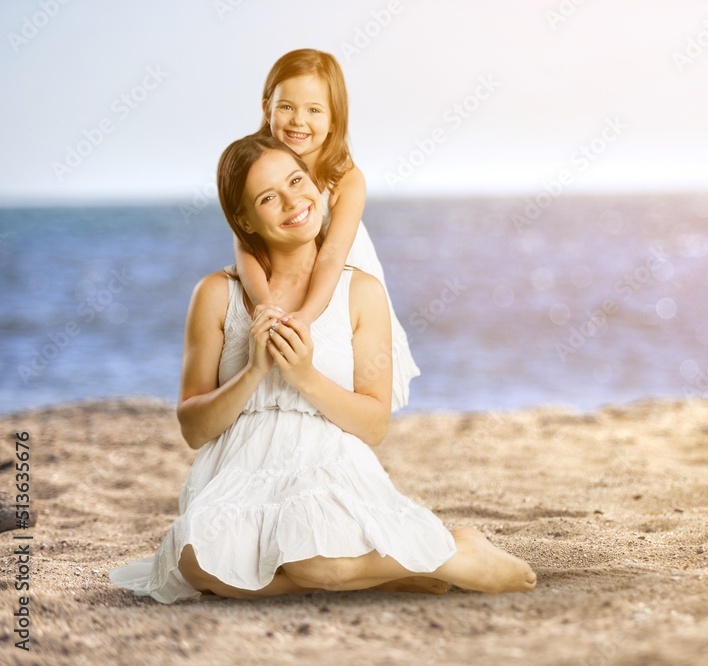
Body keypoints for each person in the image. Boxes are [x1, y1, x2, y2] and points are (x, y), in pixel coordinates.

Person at [107, 135, 536, 603]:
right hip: (235, 469)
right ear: (244, 220)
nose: (293, 201)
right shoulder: (215, 293)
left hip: (325, 462)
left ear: (313, 181)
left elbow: (373, 425)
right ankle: (399, 570)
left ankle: (457, 553)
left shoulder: (361, 291)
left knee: (316, 561)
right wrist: (252, 372)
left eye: (296, 180)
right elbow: (193, 427)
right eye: (269, 197)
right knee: (195, 562)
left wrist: (304, 376)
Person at [236, 48, 419, 412]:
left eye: (314, 110)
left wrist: (305, 315)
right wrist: (266, 306)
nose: (298, 120)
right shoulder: (254, 168)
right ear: (266, 107)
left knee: (343, 386)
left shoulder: (346, 179)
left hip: (336, 281)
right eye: (286, 106)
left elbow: (333, 255)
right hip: (284, 282)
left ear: (334, 120)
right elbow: (245, 249)